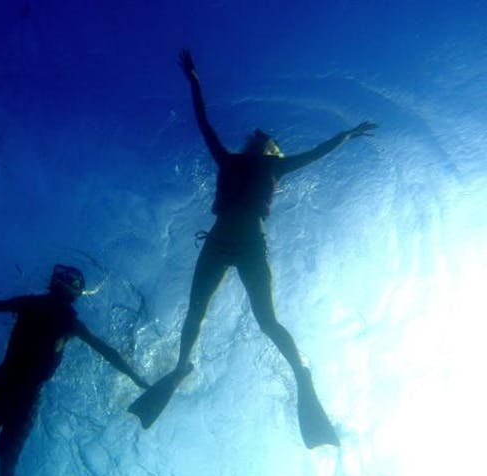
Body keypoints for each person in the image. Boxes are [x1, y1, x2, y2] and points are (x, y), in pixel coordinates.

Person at [128, 49, 377, 448]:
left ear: (270, 151)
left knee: (266, 321)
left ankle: (300, 371)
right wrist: (195, 82)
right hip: (218, 244)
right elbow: (203, 123)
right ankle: (180, 366)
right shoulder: (227, 160)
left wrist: (346, 136)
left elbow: (315, 154)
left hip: (247, 249)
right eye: (255, 138)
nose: (257, 141)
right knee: (196, 310)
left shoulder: (272, 167)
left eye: (265, 142)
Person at [0, 264, 149, 476]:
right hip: (22, 392)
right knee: (2, 459)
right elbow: (107, 352)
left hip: (9, 386)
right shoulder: (64, 320)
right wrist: (136, 378)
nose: (64, 280)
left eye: (69, 278)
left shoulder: (37, 307)